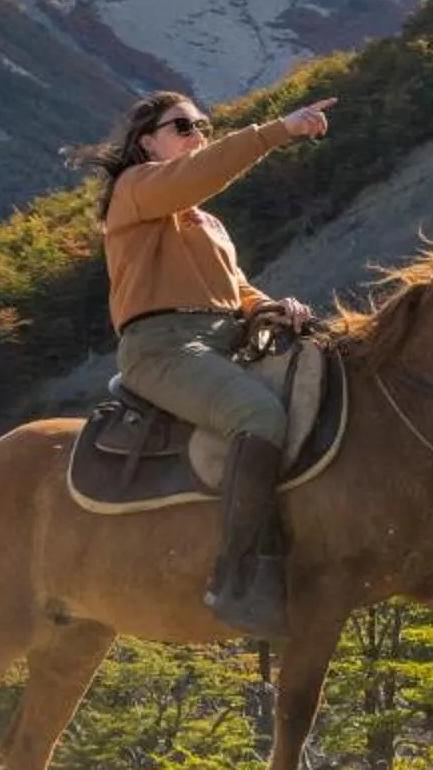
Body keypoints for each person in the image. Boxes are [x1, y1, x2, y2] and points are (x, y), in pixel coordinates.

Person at [92, 89, 335, 639]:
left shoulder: (206, 222)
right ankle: (237, 577)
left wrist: (269, 305)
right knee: (260, 416)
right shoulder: (133, 190)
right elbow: (203, 172)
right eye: (183, 126)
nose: (197, 134)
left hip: (224, 341)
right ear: (146, 142)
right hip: (163, 348)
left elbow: (235, 289)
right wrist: (280, 130)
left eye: (202, 125)